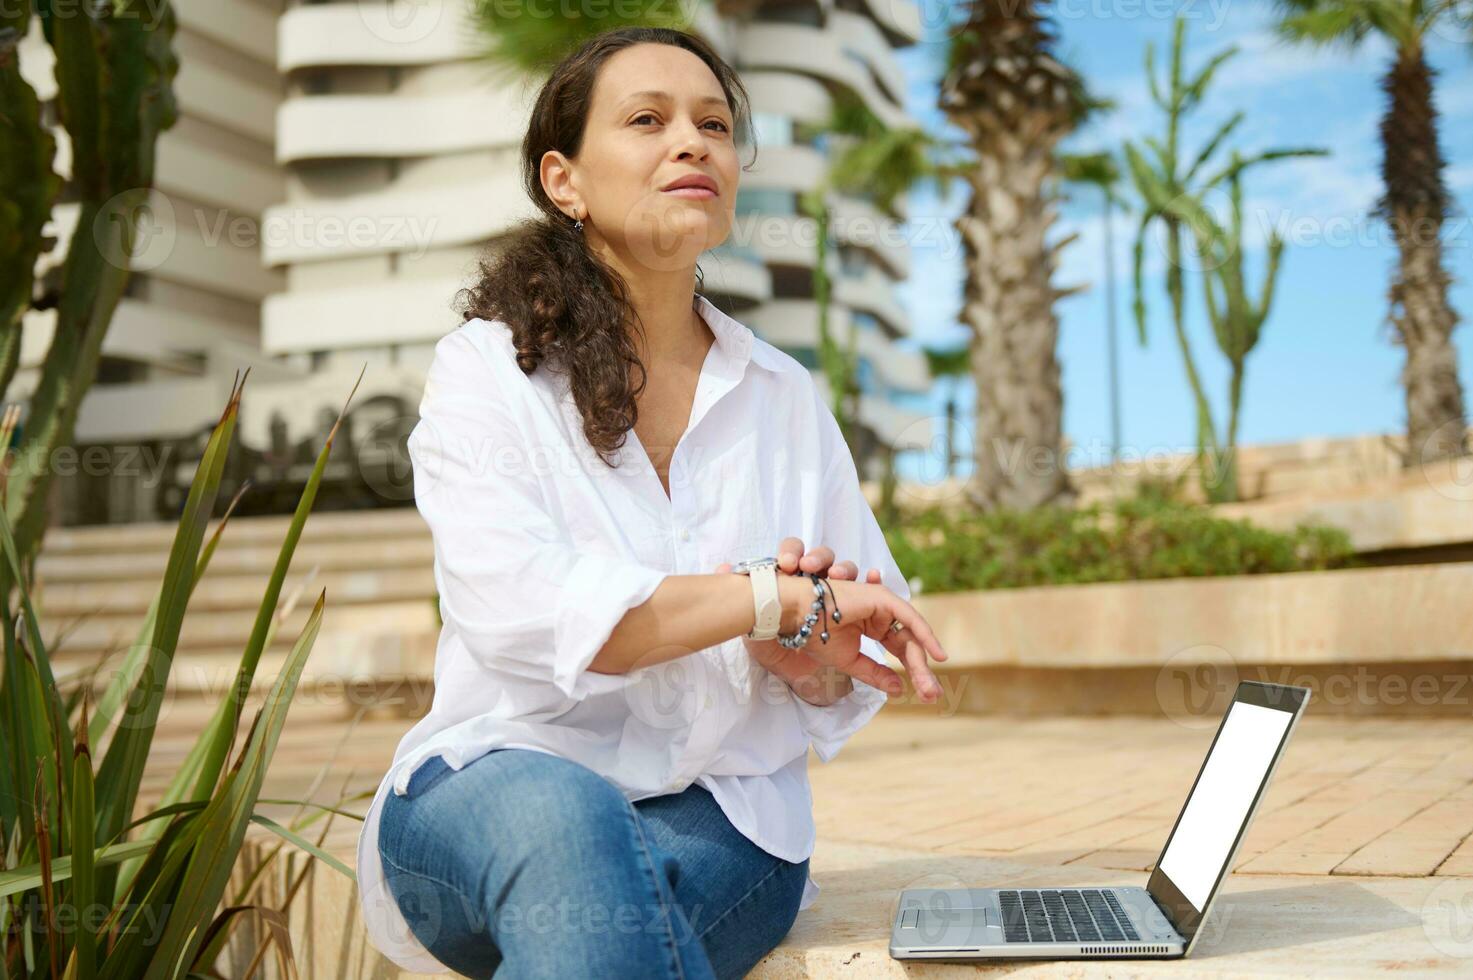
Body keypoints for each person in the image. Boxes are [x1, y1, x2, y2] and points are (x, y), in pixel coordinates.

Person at [355, 25, 950, 979]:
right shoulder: (489, 370)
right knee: (569, 820)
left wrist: (804, 662)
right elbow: (525, 613)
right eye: (648, 120)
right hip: (491, 793)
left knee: (605, 929)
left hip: (724, 819)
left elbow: (838, 673)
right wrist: (772, 597)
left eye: (714, 124)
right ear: (565, 181)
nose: (694, 142)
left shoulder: (784, 396)